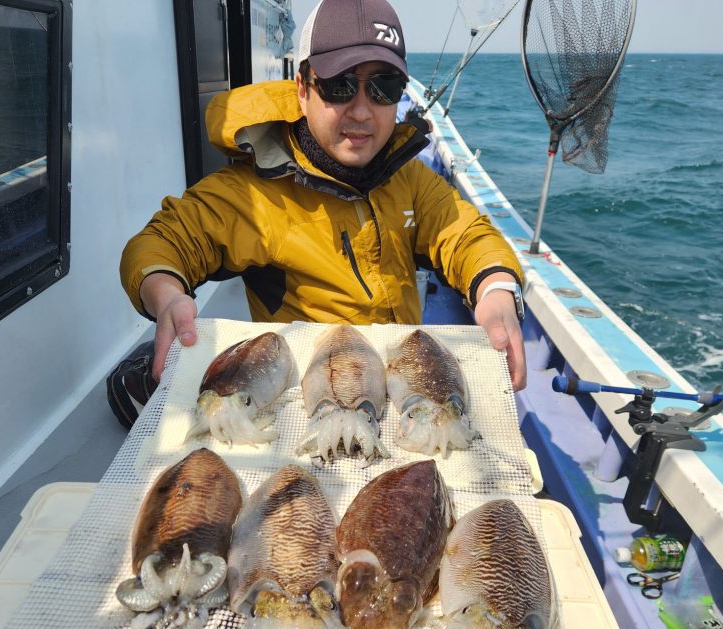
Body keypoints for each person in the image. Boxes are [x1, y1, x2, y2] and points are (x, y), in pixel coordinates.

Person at [114, 0, 526, 426]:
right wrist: (166, 294)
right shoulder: (252, 195)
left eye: (384, 87)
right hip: (305, 400)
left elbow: (467, 234)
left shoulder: (410, 179)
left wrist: (496, 289)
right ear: (303, 88)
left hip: (398, 389)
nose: (362, 111)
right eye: (339, 85)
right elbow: (163, 241)